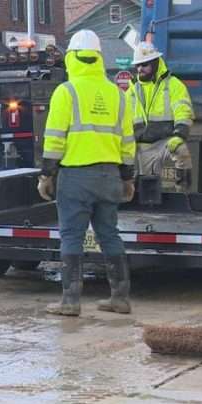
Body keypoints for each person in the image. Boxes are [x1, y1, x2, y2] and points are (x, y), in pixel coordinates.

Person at [38, 29, 136, 316]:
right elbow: (127, 141)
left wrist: (46, 175)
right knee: (109, 234)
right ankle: (120, 297)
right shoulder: (117, 94)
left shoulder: (66, 91)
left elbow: (55, 138)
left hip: (76, 177)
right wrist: (128, 177)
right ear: (98, 58)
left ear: (72, 57)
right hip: (110, 176)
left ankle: (70, 301)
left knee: (71, 236)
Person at [128, 42, 195, 190]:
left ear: (155, 63)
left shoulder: (173, 85)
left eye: (144, 64)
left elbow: (183, 111)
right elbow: (123, 119)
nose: (140, 69)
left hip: (165, 141)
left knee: (181, 149)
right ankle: (132, 197)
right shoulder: (131, 90)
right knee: (143, 183)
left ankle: (182, 193)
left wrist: (179, 135)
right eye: (138, 65)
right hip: (140, 145)